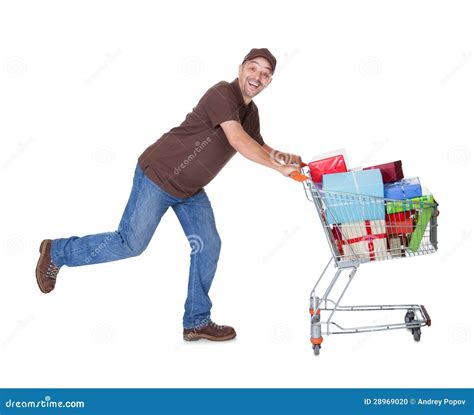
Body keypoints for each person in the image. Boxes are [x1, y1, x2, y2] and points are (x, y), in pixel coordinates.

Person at [35, 48, 304, 342]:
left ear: (269, 81)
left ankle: (196, 321)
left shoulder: (251, 113)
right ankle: (58, 251)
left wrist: (291, 159)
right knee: (130, 243)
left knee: (208, 245)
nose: (258, 77)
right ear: (240, 68)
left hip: (190, 189)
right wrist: (280, 169)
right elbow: (239, 141)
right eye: (254, 68)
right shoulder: (222, 94)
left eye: (266, 74)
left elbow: (260, 146)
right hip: (159, 175)